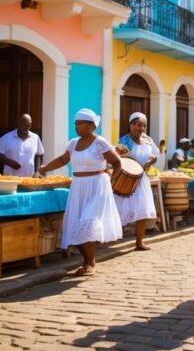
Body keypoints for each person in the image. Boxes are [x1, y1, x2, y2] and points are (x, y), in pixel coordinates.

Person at [39, 109, 123, 276]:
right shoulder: (73, 144)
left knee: (88, 222)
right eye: (75, 124)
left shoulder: (100, 143)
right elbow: (63, 159)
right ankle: (87, 261)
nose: (76, 127)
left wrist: (112, 182)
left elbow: (117, 163)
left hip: (98, 186)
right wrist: (45, 168)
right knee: (75, 225)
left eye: (80, 124)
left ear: (91, 126)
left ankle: (90, 263)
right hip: (78, 186)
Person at [114, 112, 158, 251]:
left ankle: (139, 242)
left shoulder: (147, 140)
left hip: (142, 179)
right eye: (137, 125)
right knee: (119, 209)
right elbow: (118, 159)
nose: (140, 128)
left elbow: (155, 155)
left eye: (143, 126)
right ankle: (110, 238)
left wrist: (151, 161)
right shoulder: (124, 141)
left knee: (142, 210)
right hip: (127, 178)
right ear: (130, 125)